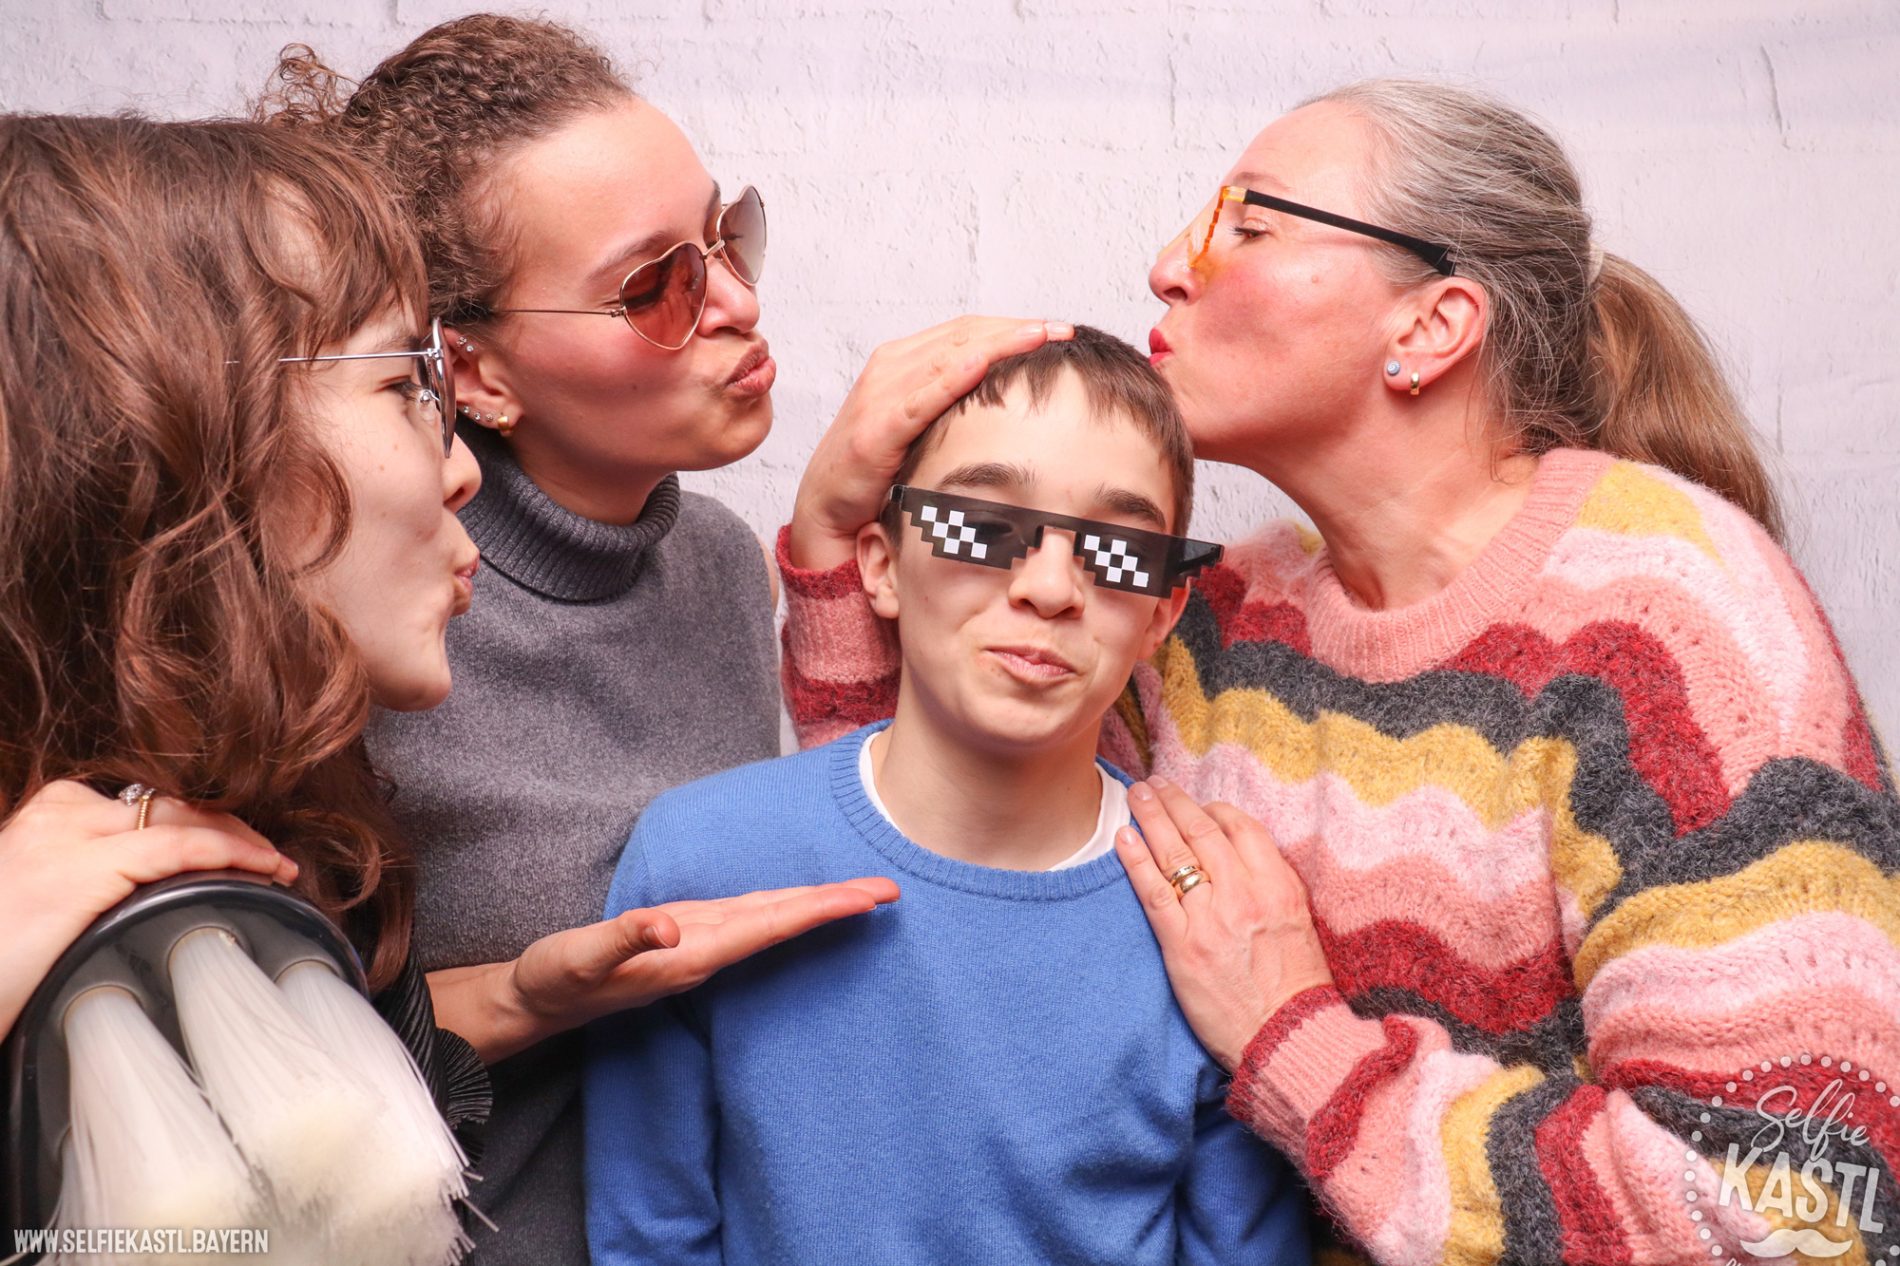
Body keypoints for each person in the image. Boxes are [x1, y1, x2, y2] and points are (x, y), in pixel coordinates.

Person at [775, 80, 1900, 1263]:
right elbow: (940, 873)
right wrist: (834, 531)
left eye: (1247, 226)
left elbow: (1809, 1219)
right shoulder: (1215, 635)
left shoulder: (1670, 630)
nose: (1167, 267)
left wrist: (1293, 1039)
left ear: (1430, 326)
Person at [0, 112, 897, 1247]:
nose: (461, 468)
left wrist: (526, 995)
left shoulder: (282, 792)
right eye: (404, 382)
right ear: (172, 439)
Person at [262, 17, 1064, 1260]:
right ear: (473, 375)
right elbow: (242, 1080)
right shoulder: (355, 619)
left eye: (724, 238)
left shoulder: (716, 564)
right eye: (655, 287)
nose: (739, 303)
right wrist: (522, 999)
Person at [585, 327, 1309, 1265]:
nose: (1050, 587)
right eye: (984, 526)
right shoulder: (704, 856)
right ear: (881, 567)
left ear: (1162, 612)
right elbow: (648, 1238)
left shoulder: (1213, 919)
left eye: (1118, 550)